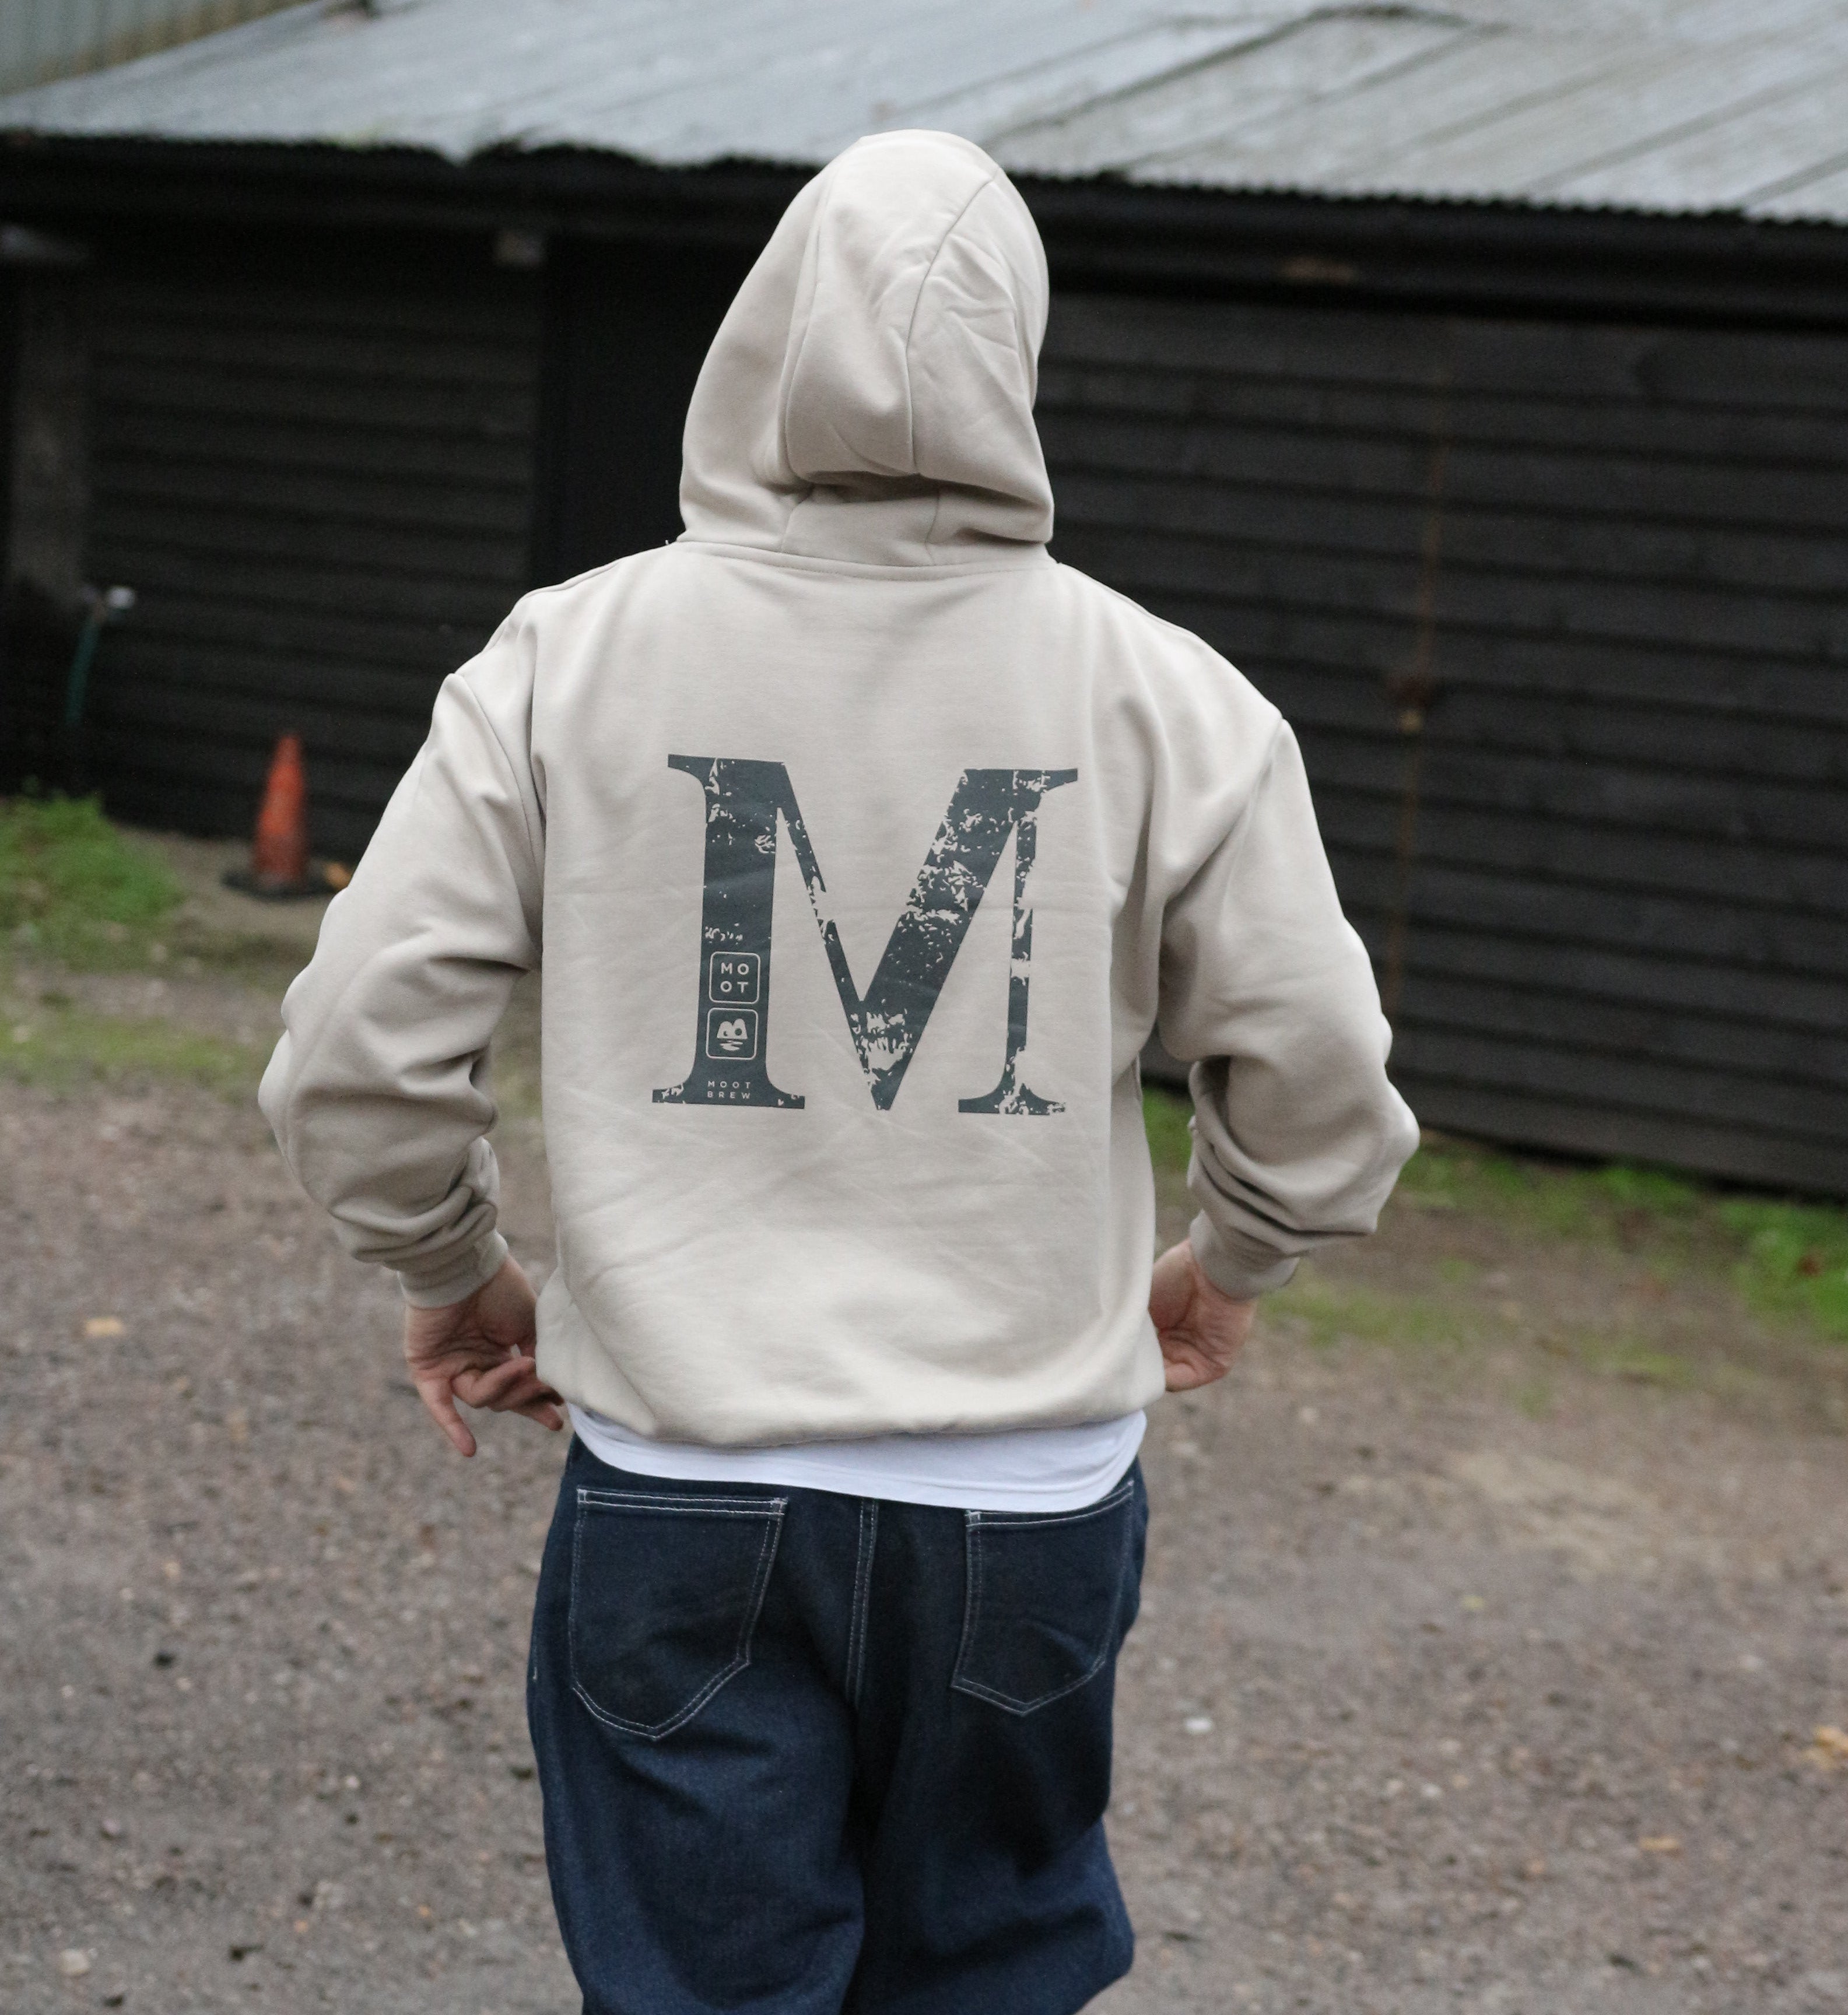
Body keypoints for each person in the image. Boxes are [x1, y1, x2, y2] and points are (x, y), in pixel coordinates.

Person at [262, 128, 1416, 2015]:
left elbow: (355, 1049)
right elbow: (1323, 1071)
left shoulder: (571, 657)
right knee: (986, 1977)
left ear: (763, 328)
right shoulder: (1170, 696)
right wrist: (1241, 1266)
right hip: (1030, 1500)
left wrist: (453, 1276)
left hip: (685, 1482)